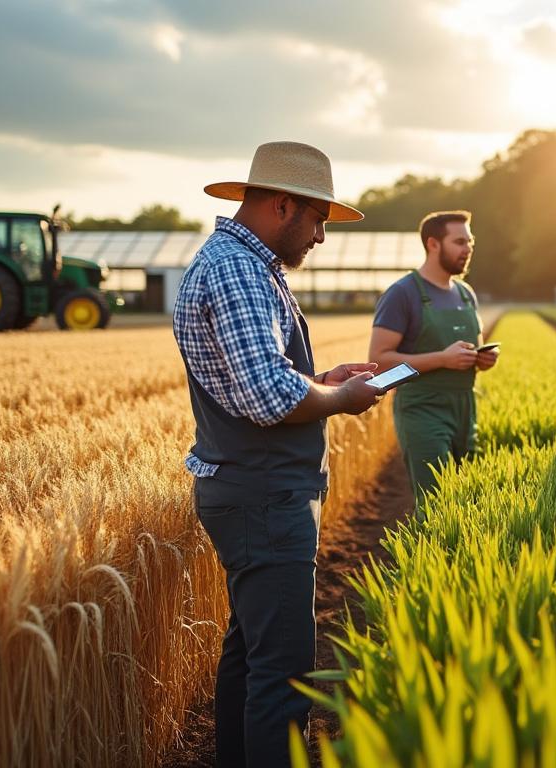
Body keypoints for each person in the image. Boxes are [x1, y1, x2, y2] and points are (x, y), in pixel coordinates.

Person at [172, 140, 382, 766]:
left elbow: (269, 379)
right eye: (318, 219)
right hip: (263, 497)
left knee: (251, 649)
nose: (320, 236)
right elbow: (267, 396)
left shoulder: (241, 264)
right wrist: (340, 398)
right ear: (283, 205)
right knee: (284, 672)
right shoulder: (239, 271)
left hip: (252, 490)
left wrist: (323, 380)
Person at [369, 211, 497, 499]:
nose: (468, 249)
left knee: (469, 500)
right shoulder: (402, 294)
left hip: (465, 408)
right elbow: (379, 362)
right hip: (423, 411)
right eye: (460, 242)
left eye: (470, 242)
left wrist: (482, 359)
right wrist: (442, 359)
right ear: (433, 244)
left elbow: (471, 350)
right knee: (437, 502)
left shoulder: (466, 293)